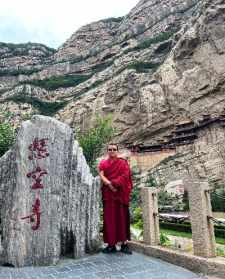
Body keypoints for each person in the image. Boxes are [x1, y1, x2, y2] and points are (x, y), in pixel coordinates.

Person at [98, 143, 133, 254]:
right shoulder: (103, 163)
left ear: (117, 151)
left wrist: (114, 184)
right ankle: (111, 245)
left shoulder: (123, 163)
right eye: (110, 149)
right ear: (107, 151)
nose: (112, 151)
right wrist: (110, 185)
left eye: (114, 149)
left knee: (122, 219)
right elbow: (101, 175)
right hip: (109, 195)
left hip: (120, 195)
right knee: (109, 220)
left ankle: (124, 244)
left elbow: (125, 175)